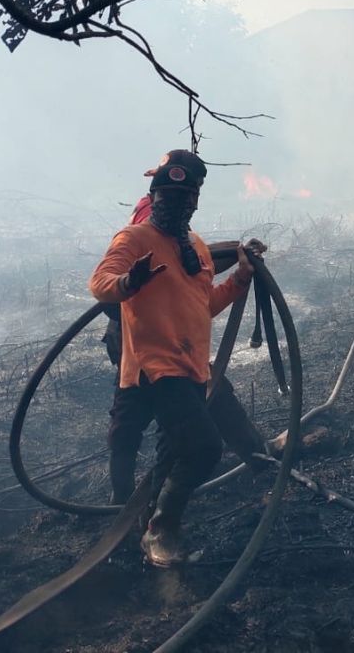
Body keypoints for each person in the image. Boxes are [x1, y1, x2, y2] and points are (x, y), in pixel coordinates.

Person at [89, 149, 257, 567]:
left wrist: (240, 278)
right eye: (167, 197)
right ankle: (158, 529)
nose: (177, 205)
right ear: (154, 196)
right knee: (202, 448)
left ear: (196, 201)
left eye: (186, 198)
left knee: (165, 446)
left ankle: (137, 526)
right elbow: (100, 283)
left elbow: (203, 305)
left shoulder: (196, 247)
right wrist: (129, 281)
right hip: (156, 368)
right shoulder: (134, 239)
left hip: (187, 367)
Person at [99, 181, 270, 508]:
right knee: (138, 423)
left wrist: (239, 263)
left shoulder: (176, 233)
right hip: (138, 340)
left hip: (166, 341)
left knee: (201, 403)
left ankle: (258, 456)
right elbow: (111, 285)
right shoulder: (141, 235)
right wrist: (128, 283)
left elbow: (194, 277)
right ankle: (126, 505)